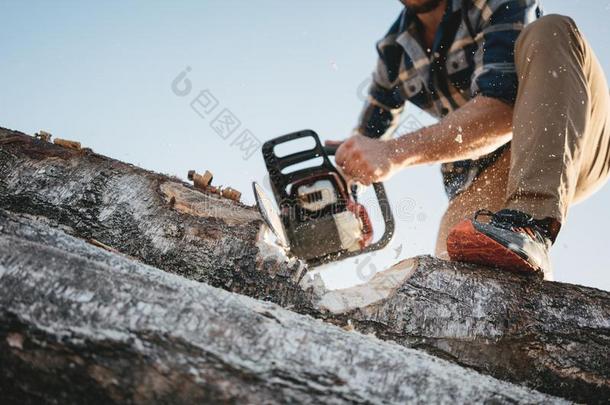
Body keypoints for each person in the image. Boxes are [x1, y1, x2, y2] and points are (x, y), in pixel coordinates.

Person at [332, 0, 610, 278]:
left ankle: (529, 224)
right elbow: (365, 141)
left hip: (571, 130)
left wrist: (395, 152)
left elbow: (502, 111)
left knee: (550, 30)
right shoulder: (394, 49)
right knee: (456, 269)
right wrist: (343, 190)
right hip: (485, 172)